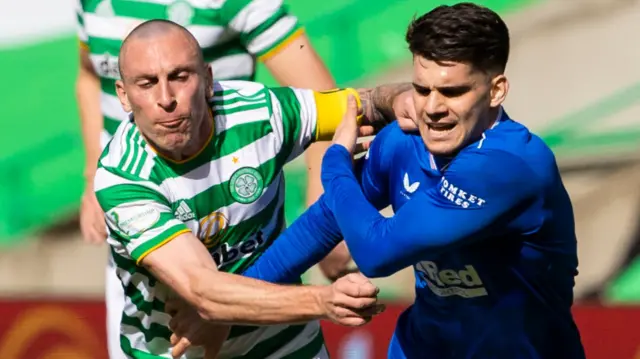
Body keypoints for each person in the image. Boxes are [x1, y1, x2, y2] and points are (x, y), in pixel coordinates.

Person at [226, 3, 587, 358]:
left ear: (496, 90)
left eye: (452, 92)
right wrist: (234, 303)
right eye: (421, 89)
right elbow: (323, 222)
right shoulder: (403, 141)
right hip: (419, 347)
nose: (432, 109)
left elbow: (376, 253)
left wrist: (335, 160)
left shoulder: (507, 165)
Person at [94, 19, 412, 359]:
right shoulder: (122, 177)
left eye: (180, 76)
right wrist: (323, 300)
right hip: (175, 350)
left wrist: (405, 99)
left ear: (207, 81)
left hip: (284, 341)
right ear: (124, 96)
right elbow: (205, 291)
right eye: (147, 84)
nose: (166, 99)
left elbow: (363, 105)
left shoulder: (260, 112)